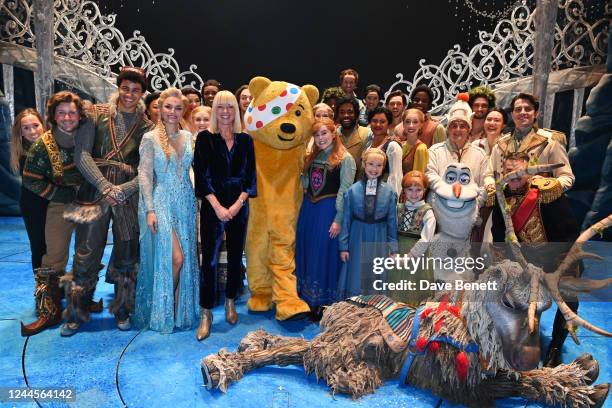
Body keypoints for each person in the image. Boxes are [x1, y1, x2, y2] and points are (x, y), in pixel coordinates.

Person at [60, 66, 154, 336]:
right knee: (86, 251)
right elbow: (81, 154)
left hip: (127, 193)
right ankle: (77, 310)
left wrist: (124, 189)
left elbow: (147, 169)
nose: (129, 94)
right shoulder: (95, 114)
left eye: (136, 90)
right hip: (94, 190)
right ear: (118, 87)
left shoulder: (148, 127)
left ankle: (123, 309)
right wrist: (103, 185)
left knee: (127, 251)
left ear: (142, 93)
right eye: (125, 88)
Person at [491, 152, 580, 367]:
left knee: (569, 301)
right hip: (525, 261)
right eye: (508, 173)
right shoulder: (501, 195)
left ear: (529, 173)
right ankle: (517, 341)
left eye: (519, 174)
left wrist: (559, 267)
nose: (513, 178)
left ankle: (556, 347)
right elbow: (499, 235)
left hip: (558, 258)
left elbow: (568, 232)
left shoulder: (546, 192)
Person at [134, 87, 199, 334]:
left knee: (185, 257)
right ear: (159, 109)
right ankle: (165, 308)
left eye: (178, 108)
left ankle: (178, 309)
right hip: (161, 202)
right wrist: (150, 210)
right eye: (168, 107)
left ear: (184, 110)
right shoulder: (150, 139)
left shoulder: (188, 136)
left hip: (186, 202)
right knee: (176, 258)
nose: (172, 112)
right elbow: (145, 176)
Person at [20, 92, 86, 335]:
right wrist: (62, 195)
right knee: (53, 257)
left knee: (87, 253)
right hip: (61, 205)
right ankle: (49, 310)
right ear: (53, 116)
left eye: (71, 112)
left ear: (80, 115)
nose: (67, 117)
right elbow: (31, 180)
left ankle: (81, 302)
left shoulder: (88, 135)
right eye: (61, 113)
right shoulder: (43, 145)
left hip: (91, 204)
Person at [193, 91, 256, 340]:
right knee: (208, 260)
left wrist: (237, 205)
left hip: (239, 206)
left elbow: (250, 179)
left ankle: (230, 300)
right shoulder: (205, 139)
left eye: (230, 106)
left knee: (234, 258)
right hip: (212, 205)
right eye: (221, 107)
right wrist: (218, 207)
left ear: (236, 110)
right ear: (214, 110)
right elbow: (201, 177)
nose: (226, 111)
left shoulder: (246, 140)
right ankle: (206, 312)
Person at [296, 118, 356, 320]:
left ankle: (322, 302)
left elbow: (345, 191)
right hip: (309, 210)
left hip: (328, 211)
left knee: (323, 254)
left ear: (333, 133)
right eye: (316, 134)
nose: (320, 138)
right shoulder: (313, 155)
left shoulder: (345, 159)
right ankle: (305, 297)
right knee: (307, 249)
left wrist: (338, 219)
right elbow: (305, 183)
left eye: (324, 133)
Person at [338, 148, 398, 298]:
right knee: (356, 274)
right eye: (371, 164)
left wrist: (394, 249)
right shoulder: (352, 191)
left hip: (380, 237)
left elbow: (392, 222)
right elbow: (346, 221)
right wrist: (343, 247)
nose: (374, 169)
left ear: (383, 168)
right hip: (357, 238)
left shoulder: (390, 192)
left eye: (379, 165)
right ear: (364, 164)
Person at [484, 92, 574, 192]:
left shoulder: (550, 141)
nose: (523, 112)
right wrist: (492, 186)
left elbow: (567, 177)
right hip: (504, 204)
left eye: (528, 109)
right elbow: (489, 175)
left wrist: (546, 185)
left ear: (536, 113)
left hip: (538, 204)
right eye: (518, 109)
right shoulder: (500, 143)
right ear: (512, 114)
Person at [388, 171, 435, 305]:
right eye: (410, 190)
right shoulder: (398, 208)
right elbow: (391, 232)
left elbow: (426, 239)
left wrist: (409, 258)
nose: (414, 194)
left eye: (418, 190)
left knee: (414, 288)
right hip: (398, 251)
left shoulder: (427, 211)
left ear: (424, 190)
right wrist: (393, 252)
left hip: (417, 256)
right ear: (403, 190)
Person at [9, 109, 47, 270]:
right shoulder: (24, 155)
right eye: (26, 128)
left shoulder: (55, 147)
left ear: (43, 126)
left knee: (56, 248)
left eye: (36, 125)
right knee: (39, 246)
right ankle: (43, 290)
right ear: (21, 133)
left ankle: (56, 286)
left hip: (53, 204)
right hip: (34, 206)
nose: (32, 131)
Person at [365, 107, 402, 196]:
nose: (378, 124)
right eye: (374, 121)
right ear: (370, 123)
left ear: (388, 124)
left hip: (384, 197)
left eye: (382, 122)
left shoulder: (392, 146)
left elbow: (396, 177)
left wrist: (393, 202)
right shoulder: (368, 144)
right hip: (368, 196)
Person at [335, 96, 370, 177]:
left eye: (350, 112)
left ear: (356, 114)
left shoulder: (367, 133)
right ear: (338, 115)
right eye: (342, 112)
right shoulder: (333, 135)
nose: (346, 115)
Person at [400, 108, 429, 174]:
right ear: (403, 124)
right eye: (407, 122)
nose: (411, 125)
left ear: (421, 125)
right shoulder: (401, 145)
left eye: (415, 122)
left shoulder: (421, 148)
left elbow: (419, 177)